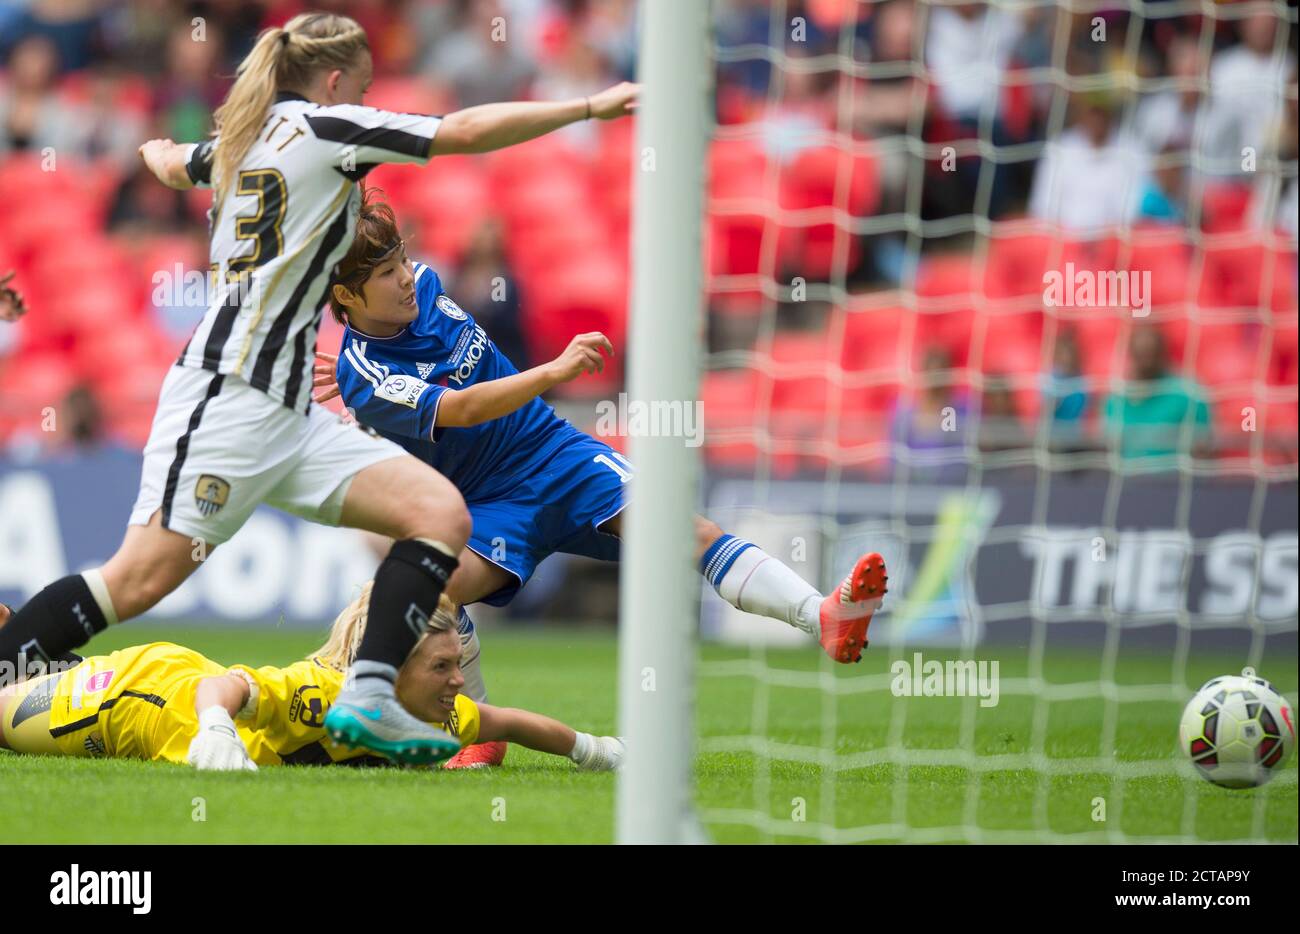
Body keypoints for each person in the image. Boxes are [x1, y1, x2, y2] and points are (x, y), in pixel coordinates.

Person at [0, 11, 638, 767]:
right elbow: (461, 130)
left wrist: (162, 156)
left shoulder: (242, 143)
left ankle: (368, 693)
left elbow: (182, 166)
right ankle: (7, 667)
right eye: (363, 84)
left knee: (437, 512)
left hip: (288, 407)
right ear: (336, 80)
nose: (369, 96)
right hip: (229, 395)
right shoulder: (330, 127)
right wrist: (588, 106)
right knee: (137, 579)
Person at [313, 194, 890, 766]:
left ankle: (821, 616)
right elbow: (460, 408)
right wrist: (552, 371)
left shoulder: (430, 288)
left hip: (555, 454)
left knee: (688, 531)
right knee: (434, 587)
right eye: (388, 274)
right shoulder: (363, 375)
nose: (408, 278)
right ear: (346, 295)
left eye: (403, 262)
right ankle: (480, 732)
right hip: (486, 506)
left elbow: (435, 371)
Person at [0, 595, 623, 771]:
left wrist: (593, 749)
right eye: (442, 668)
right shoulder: (319, 693)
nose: (460, 681)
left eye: (455, 664)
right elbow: (230, 689)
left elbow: (509, 722)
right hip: (136, 702)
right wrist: (216, 730)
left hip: (157, 686)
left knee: (23, 669)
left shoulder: (428, 711)